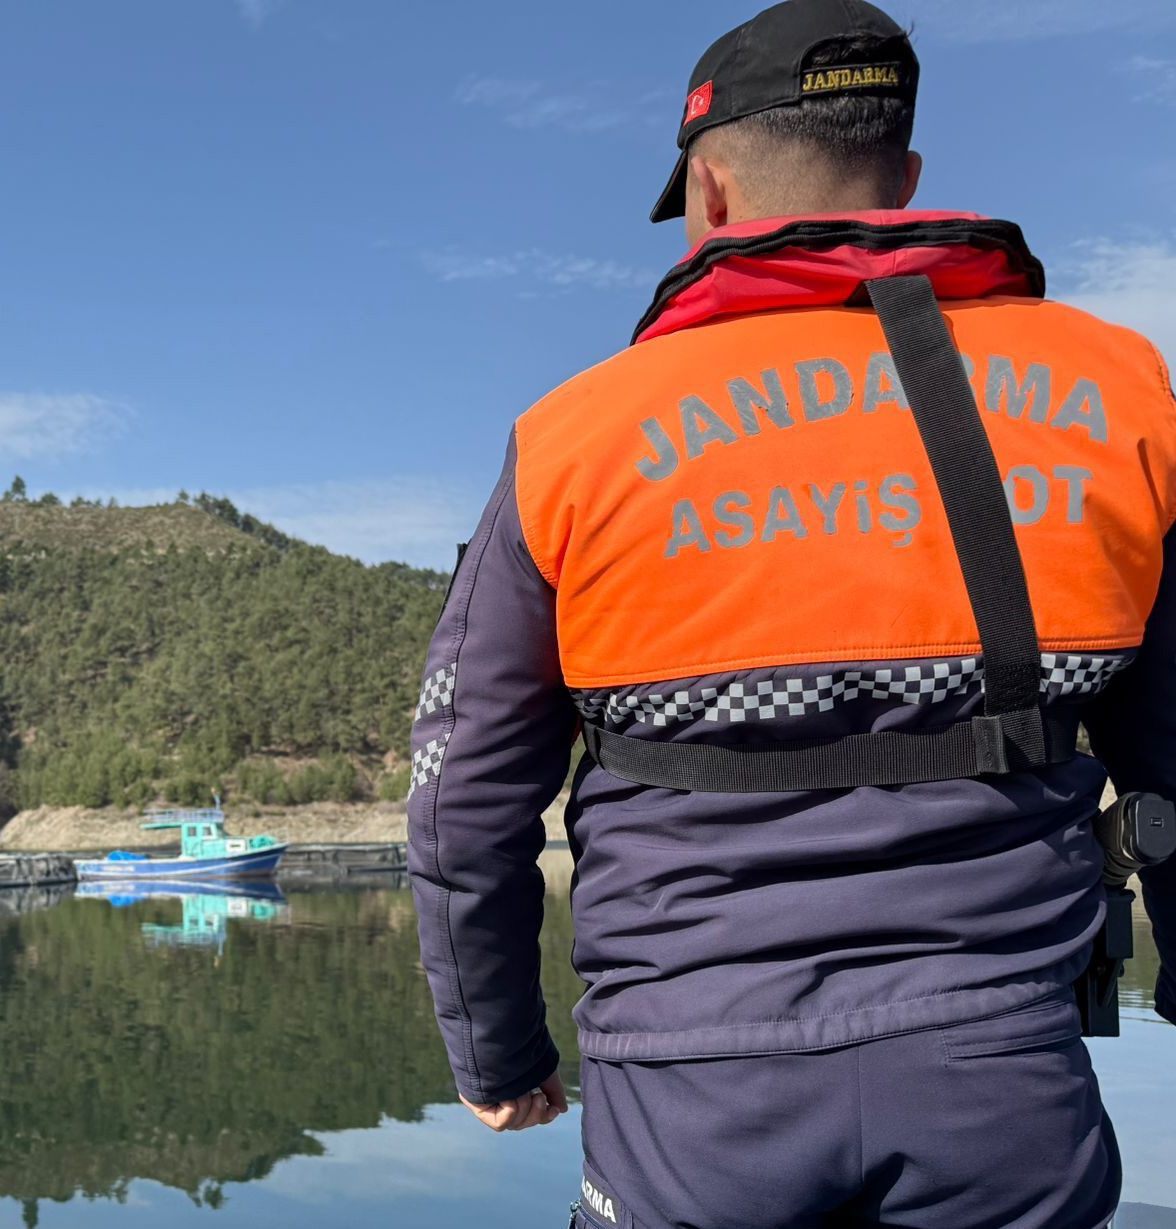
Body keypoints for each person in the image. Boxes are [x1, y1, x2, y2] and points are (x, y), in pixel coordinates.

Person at [406, 1, 1176, 1225]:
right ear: (905, 179)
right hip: (1004, 1077)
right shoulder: (1115, 390)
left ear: (709, 193)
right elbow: (1167, 746)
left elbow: (462, 795)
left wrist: (496, 1054)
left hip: (691, 1102)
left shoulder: (574, 439)